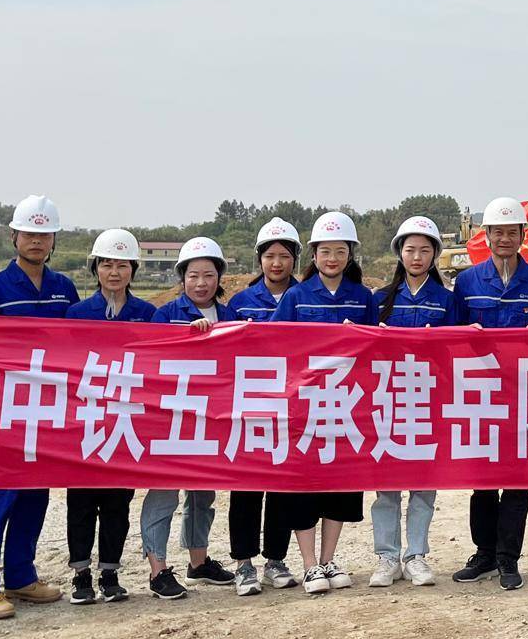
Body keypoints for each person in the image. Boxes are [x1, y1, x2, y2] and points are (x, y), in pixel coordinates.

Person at [0, 195, 77, 620]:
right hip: (3, 406)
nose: (36, 241)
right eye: (29, 233)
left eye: (44, 234)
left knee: (35, 496)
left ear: (53, 240)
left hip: (45, 407)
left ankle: (20, 575)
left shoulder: (63, 287)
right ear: (13, 237)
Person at [449, 197, 528, 591]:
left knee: (516, 481)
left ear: (523, 235)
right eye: (498, 232)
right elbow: (451, 338)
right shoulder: (466, 282)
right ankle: (485, 554)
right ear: (487, 236)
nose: (505, 238)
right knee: (482, 480)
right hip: (479, 394)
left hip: (522, 394)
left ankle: (509, 558)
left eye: (512, 232)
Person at [272, 212, 378, 594]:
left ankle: (330, 558)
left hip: (347, 405)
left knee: (340, 483)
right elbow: (274, 344)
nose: (332, 258)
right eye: (324, 251)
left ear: (350, 255)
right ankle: (309, 565)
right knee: (304, 484)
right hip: (306, 405)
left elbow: (376, 350)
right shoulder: (296, 297)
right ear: (313, 256)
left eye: (340, 251)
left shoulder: (363, 297)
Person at [143, 235, 239, 598]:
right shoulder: (165, 314)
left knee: (203, 493)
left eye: (209, 275)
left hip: (211, 417)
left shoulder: (230, 317)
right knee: (164, 493)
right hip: (170, 418)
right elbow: (148, 358)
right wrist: (185, 338)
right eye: (194, 275)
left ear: (219, 278)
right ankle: (158, 569)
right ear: (182, 278)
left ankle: (198, 561)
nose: (201, 283)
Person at [61, 228, 152, 605]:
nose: (114, 272)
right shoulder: (76, 313)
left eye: (122, 265)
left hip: (126, 418)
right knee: (81, 501)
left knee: (118, 501)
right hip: (86, 416)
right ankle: (81, 573)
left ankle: (110, 572)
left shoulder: (147, 313)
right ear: (95, 268)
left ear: (133, 269)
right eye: (106, 265)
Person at [224, 216, 310, 595]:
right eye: (270, 256)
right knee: (244, 485)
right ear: (260, 259)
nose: (277, 264)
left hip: (292, 407)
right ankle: (244, 563)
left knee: (282, 485)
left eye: (284, 256)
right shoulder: (240, 303)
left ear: (295, 259)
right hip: (249, 405)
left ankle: (275, 559)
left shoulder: (307, 297)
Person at [372, 214, 458, 587]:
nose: (417, 256)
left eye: (425, 250)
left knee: (424, 484)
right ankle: (387, 556)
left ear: (436, 254)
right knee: (386, 484)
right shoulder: (380, 300)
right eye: (411, 250)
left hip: (430, 401)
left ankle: (417, 555)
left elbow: (462, 348)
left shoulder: (447, 300)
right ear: (400, 254)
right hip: (389, 400)